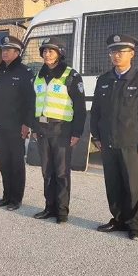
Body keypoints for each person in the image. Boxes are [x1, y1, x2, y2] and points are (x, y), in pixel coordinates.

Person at [90, 34, 138, 240]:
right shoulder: (103, 80)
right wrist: (96, 136)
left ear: (132, 54)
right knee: (113, 184)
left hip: (131, 144)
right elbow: (96, 112)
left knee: (132, 186)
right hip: (108, 142)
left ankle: (133, 225)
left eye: (121, 51)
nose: (116, 55)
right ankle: (118, 219)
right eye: (113, 51)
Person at [31, 37, 87, 224]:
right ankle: (49, 207)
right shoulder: (38, 76)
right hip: (42, 129)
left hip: (62, 129)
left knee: (61, 172)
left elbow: (79, 107)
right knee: (47, 171)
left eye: (51, 51)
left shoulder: (71, 75)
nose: (47, 54)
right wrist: (34, 126)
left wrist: (77, 132)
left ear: (60, 53)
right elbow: (34, 103)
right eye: (45, 51)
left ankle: (62, 211)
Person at [0, 35, 35, 211]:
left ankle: (16, 198)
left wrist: (27, 123)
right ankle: (6, 195)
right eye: (3, 49)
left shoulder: (25, 73)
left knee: (16, 163)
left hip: (16, 126)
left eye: (8, 50)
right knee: (3, 162)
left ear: (17, 52)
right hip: (0, 126)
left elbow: (30, 101)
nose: (4, 52)